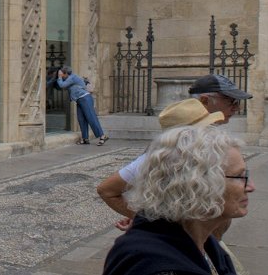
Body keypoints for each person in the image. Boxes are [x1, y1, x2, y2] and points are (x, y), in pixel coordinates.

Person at [102, 125, 254, 275]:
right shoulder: (156, 265)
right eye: (240, 177)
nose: (251, 186)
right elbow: (106, 190)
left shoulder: (203, 240)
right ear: (197, 185)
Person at [97, 97, 225, 223]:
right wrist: (144, 220)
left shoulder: (214, 153)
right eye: (206, 127)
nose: (212, 130)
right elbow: (106, 189)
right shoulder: (153, 159)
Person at [52, 65, 106, 144]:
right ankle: (85, 139)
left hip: (85, 98)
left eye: (61, 74)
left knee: (91, 117)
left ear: (66, 73)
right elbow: (59, 86)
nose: (61, 75)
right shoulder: (69, 79)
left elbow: (62, 85)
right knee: (81, 119)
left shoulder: (72, 77)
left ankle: (102, 136)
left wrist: (59, 77)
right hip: (79, 100)